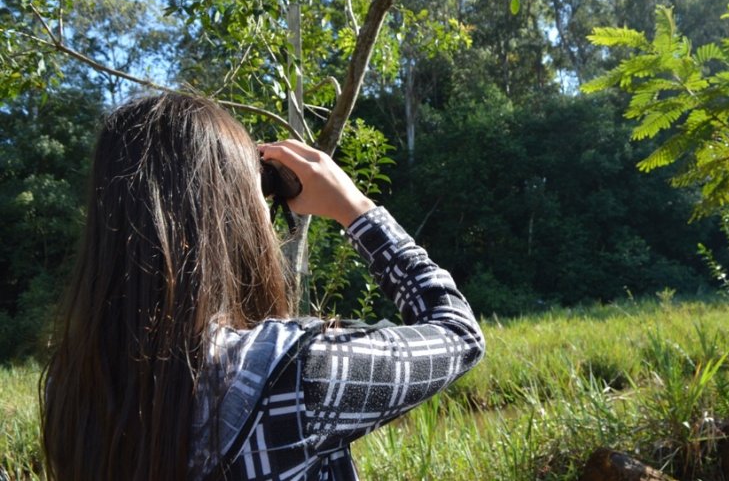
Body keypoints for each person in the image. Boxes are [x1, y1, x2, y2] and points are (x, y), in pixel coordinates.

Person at [41, 93, 485, 481]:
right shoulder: (294, 374)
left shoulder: (73, 387)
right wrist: (356, 209)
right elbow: (459, 333)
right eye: (259, 196)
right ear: (230, 216)